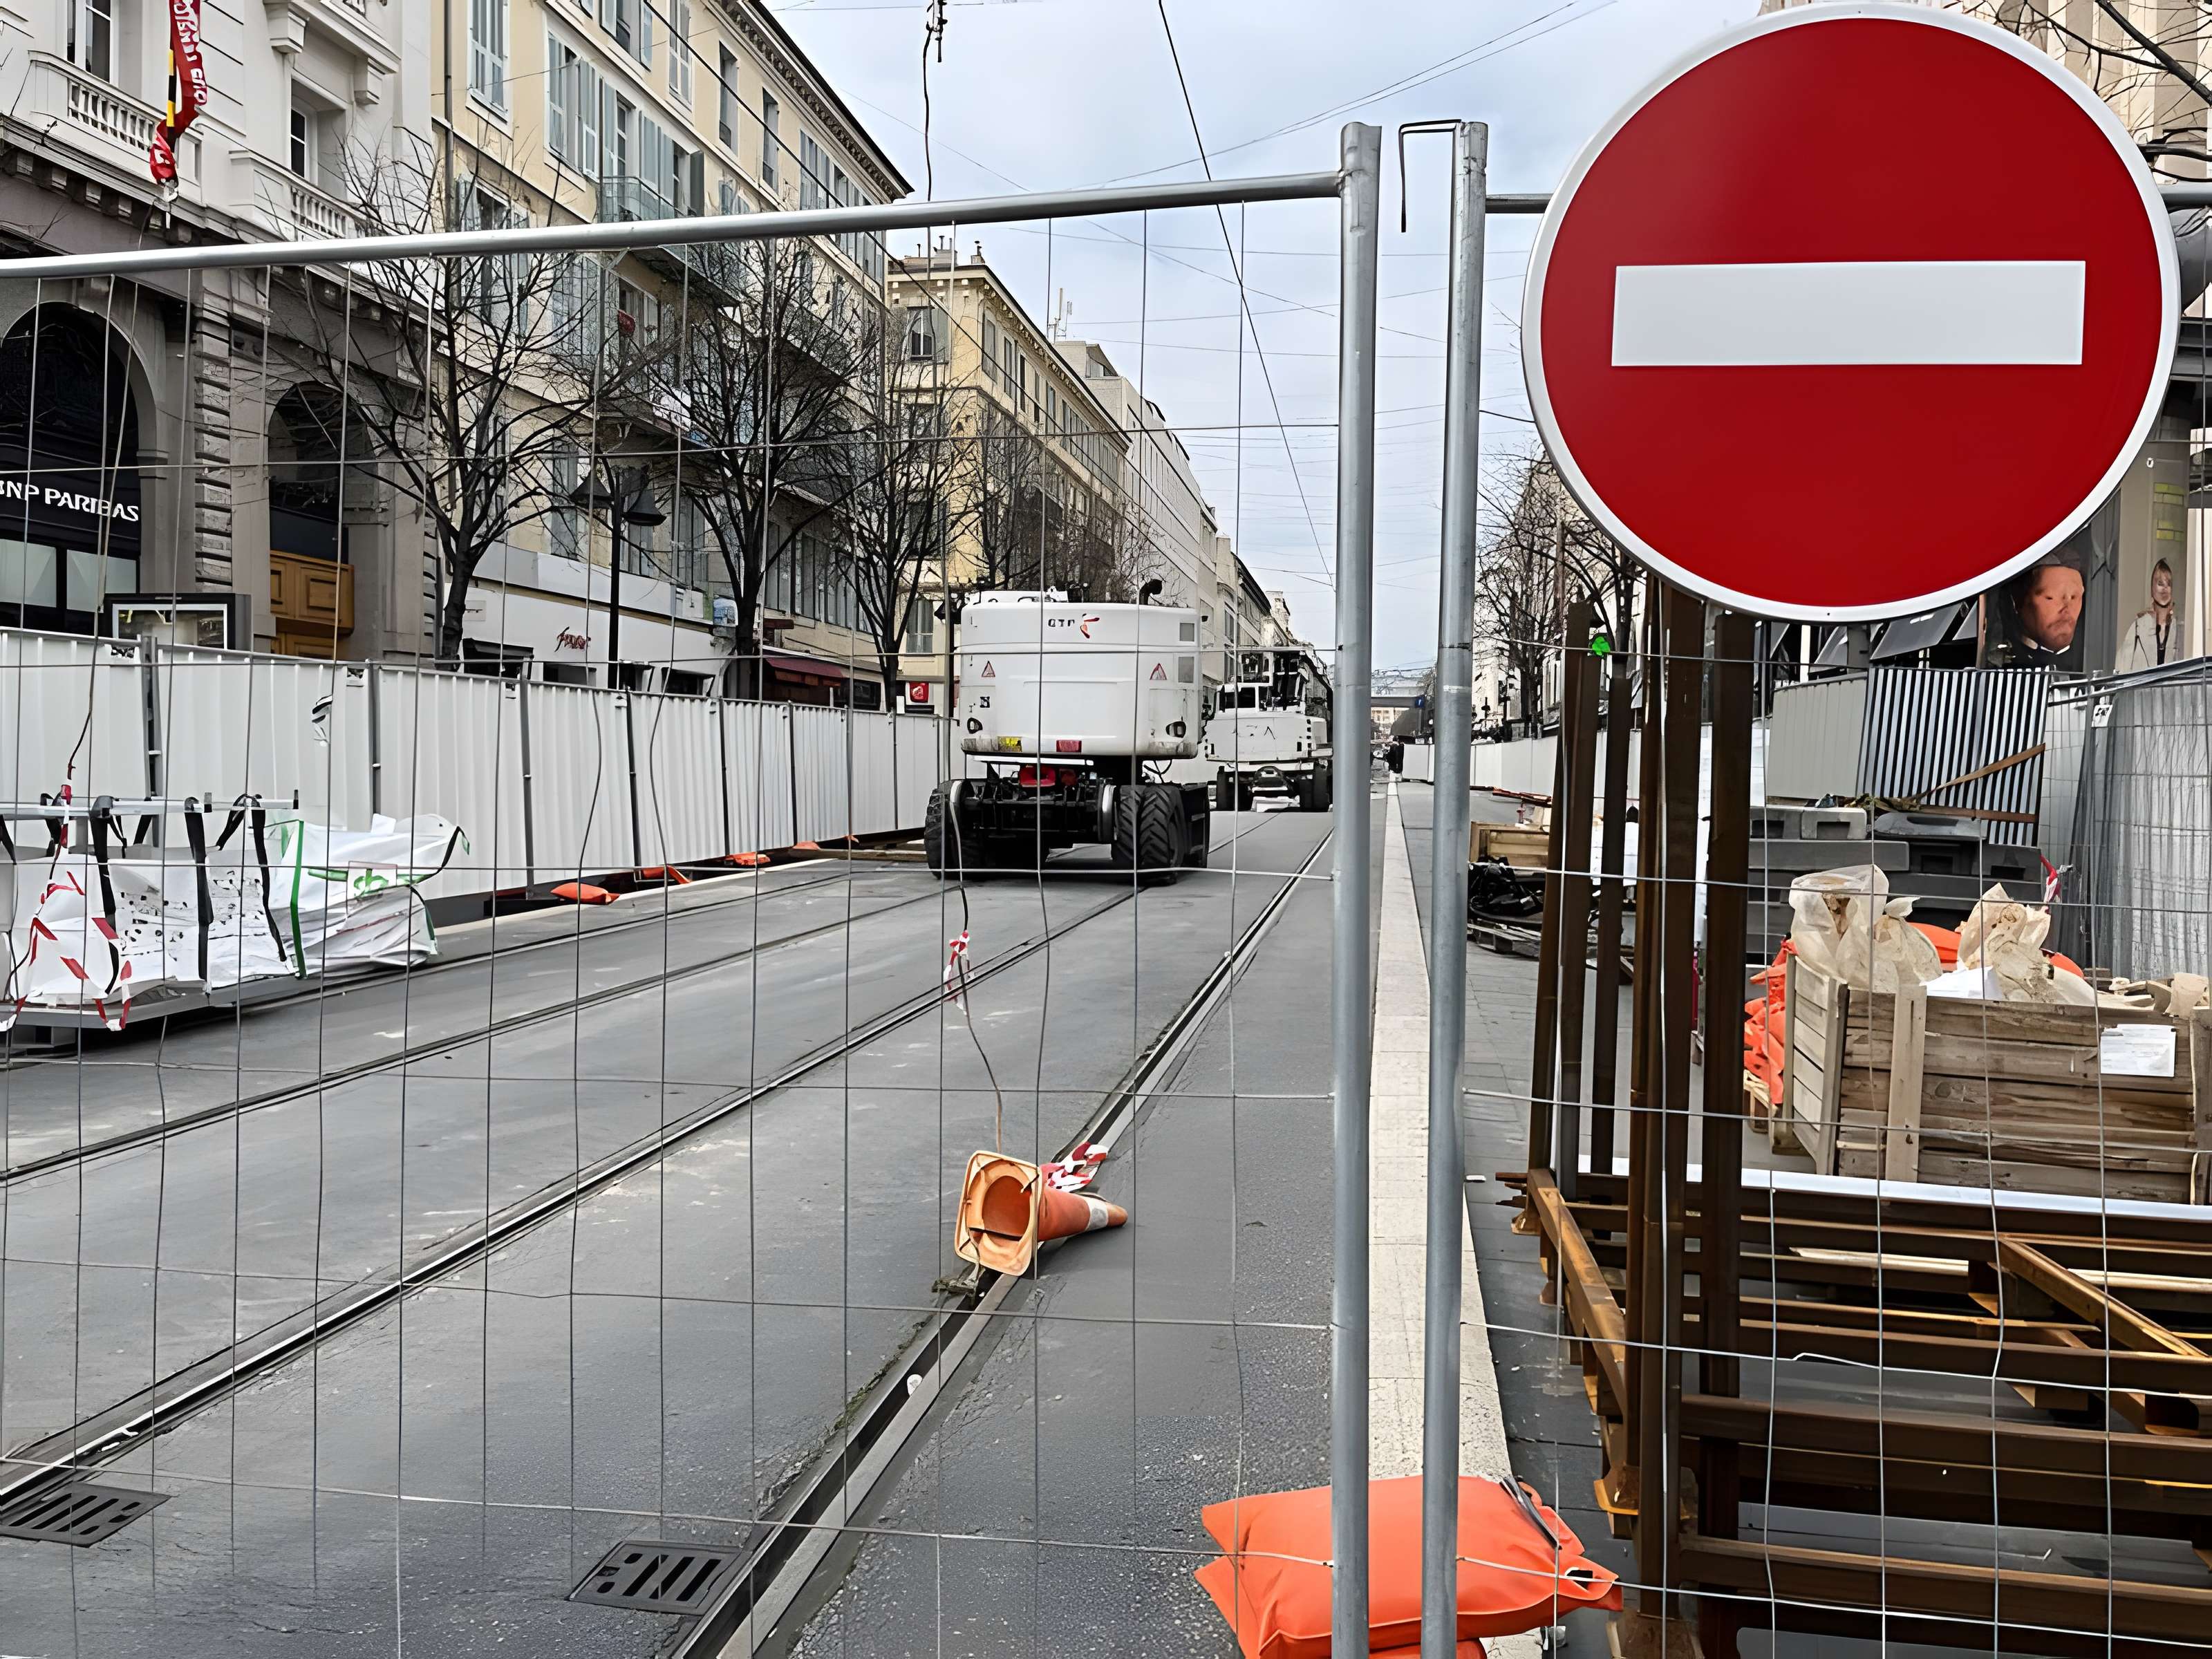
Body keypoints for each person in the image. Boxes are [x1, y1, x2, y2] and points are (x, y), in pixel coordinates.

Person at [2121, 558, 2178, 671]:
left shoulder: (2178, 627)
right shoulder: (2138, 626)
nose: (2165, 588)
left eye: (2169, 584)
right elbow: (2123, 668)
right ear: (2152, 588)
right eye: (2160, 583)